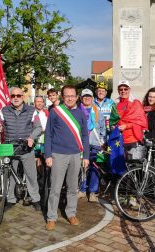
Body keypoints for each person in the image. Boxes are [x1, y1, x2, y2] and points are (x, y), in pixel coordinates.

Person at [44, 85, 89, 231]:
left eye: (72, 95)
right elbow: (48, 135)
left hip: (76, 155)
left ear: (77, 97)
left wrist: (86, 156)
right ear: (62, 97)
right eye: (67, 95)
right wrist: (48, 155)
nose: (70, 98)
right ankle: (51, 217)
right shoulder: (55, 112)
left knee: (72, 188)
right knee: (55, 188)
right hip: (58, 155)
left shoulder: (81, 114)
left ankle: (71, 213)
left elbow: (85, 136)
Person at [0, 87, 42, 211]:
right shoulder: (3, 111)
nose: (16, 98)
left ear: (23, 97)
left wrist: (31, 137)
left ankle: (35, 199)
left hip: (26, 147)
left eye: (18, 95)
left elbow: (38, 127)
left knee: (31, 174)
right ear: (10, 97)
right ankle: (10, 199)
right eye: (13, 96)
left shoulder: (32, 111)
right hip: (9, 147)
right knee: (10, 175)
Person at [78, 88, 106, 202]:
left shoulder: (97, 112)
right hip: (81, 144)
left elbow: (102, 128)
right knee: (83, 168)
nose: (87, 98)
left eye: (89, 96)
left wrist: (102, 141)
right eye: (84, 96)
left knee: (95, 168)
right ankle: (82, 189)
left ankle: (93, 192)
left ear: (92, 98)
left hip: (95, 144)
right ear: (81, 98)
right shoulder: (77, 111)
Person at [115, 80, 148, 160]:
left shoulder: (135, 103)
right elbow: (115, 120)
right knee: (122, 167)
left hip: (132, 139)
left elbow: (141, 122)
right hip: (119, 140)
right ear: (118, 91)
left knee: (134, 166)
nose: (123, 91)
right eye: (121, 89)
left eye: (125, 89)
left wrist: (126, 126)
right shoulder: (115, 104)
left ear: (129, 90)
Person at [33, 96, 49, 168]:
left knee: (44, 161)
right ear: (34, 103)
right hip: (34, 141)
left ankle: (43, 177)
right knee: (35, 160)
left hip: (44, 141)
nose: (39, 103)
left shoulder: (46, 113)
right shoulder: (31, 113)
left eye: (41, 102)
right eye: (37, 101)